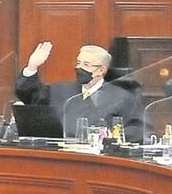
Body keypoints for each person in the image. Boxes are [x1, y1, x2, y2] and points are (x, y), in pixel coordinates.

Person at [15, 42, 143, 143]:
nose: (79, 68)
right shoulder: (59, 90)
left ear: (101, 70)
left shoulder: (121, 97)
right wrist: (32, 67)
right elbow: (29, 95)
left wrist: (111, 137)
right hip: (61, 158)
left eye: (86, 64)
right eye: (78, 63)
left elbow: (137, 130)